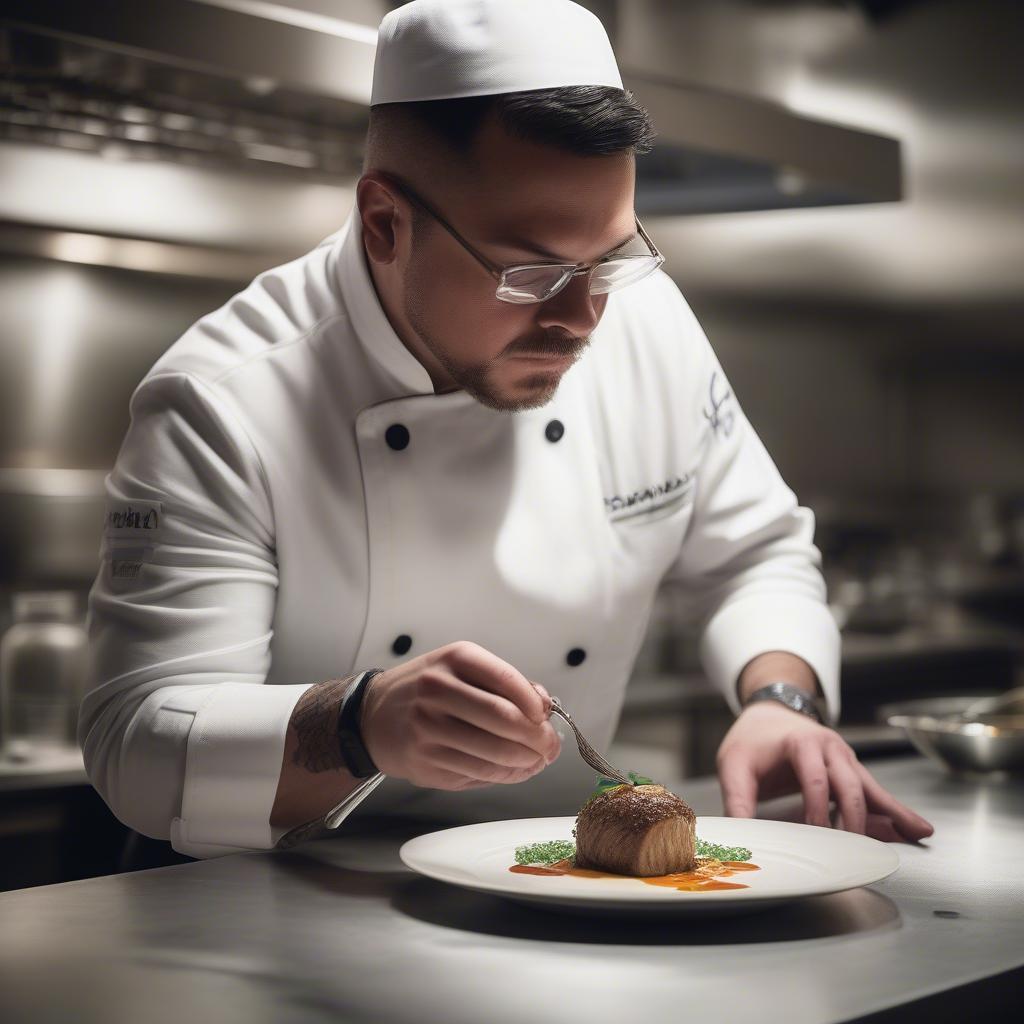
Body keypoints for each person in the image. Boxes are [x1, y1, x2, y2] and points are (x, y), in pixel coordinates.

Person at [79, 0, 933, 858]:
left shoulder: (642, 321)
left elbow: (756, 555)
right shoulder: (223, 401)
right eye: (531, 273)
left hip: (560, 876)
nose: (582, 317)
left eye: (611, 258)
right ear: (385, 224)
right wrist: (358, 723)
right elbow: (134, 744)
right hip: (283, 903)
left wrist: (778, 702)